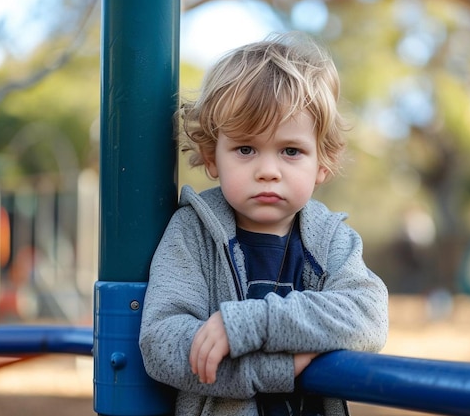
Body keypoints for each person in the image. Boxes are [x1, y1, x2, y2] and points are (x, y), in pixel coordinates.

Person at [139, 32, 389, 416]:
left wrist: (251, 323)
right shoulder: (192, 232)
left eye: (291, 151)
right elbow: (162, 342)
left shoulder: (331, 240)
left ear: (322, 162)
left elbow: (368, 315)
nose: (268, 171)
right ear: (211, 157)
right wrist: (277, 367)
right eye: (245, 149)